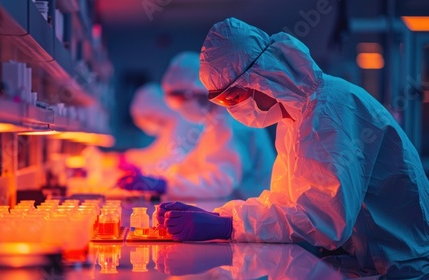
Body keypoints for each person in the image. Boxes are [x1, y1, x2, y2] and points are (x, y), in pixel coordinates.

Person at [158, 17, 429, 278]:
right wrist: (224, 214)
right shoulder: (294, 116)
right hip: (367, 260)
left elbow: (322, 222)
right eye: (225, 102)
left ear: (262, 75)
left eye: (235, 97)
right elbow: (288, 202)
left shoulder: (329, 112)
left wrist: (229, 225)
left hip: (398, 267)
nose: (234, 109)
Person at [118, 51, 276, 199]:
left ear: (199, 93)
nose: (180, 110)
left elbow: (221, 182)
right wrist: (158, 178)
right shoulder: (214, 122)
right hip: (237, 207)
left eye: (181, 101)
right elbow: (194, 165)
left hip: (251, 214)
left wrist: (165, 185)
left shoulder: (232, 122)